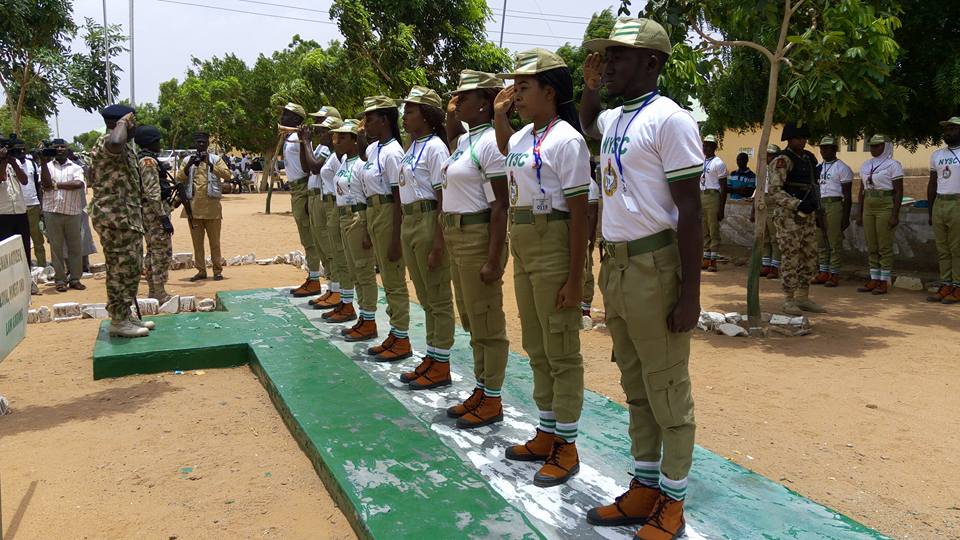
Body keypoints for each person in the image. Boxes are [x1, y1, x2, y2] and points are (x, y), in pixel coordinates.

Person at [579, 18, 702, 539]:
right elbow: (589, 129)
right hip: (620, 265)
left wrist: (690, 294)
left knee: (667, 388)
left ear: (652, 63)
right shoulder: (616, 118)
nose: (608, 65)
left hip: (656, 265)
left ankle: (671, 504)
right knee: (635, 386)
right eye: (606, 57)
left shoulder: (671, 120)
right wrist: (588, 88)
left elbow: (692, 210)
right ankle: (645, 486)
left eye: (619, 57)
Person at [494, 49, 590, 488]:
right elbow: (510, 151)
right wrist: (499, 116)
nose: (516, 94)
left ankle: (566, 445)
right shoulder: (521, 137)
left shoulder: (567, 139)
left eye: (524, 87)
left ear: (550, 91)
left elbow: (579, 214)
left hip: (554, 240)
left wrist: (576, 278)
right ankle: (546, 430)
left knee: (561, 348)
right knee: (535, 341)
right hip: (525, 240)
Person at [432, 70, 511, 428]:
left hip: (479, 236)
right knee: (471, 318)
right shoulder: (466, 141)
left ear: (485, 102)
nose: (457, 101)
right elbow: (453, 139)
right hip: (457, 236)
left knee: (487, 321)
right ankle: (481, 388)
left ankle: (492, 398)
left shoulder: (492, 143)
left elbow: (500, 205)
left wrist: (494, 258)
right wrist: (451, 116)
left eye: (464, 96)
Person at [394, 86, 455, 378]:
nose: (404, 116)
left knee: (438, 295)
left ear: (427, 116)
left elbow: (443, 196)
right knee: (425, 294)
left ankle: (441, 361)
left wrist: (439, 243)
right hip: (410, 221)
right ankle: (432, 355)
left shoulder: (435, 147)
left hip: (429, 219)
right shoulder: (412, 147)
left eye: (410, 110)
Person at [88, 104, 152, 338]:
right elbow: (115, 142)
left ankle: (124, 314)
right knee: (120, 269)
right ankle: (118, 319)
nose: (135, 125)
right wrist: (123, 123)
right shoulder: (108, 142)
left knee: (131, 267)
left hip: (126, 218)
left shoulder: (124, 146)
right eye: (132, 121)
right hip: (116, 219)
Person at [359, 96, 410, 354]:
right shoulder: (373, 149)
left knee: (393, 278)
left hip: (389, 211)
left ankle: (401, 337)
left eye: (369, 118)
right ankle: (395, 332)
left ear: (384, 119)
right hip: (374, 210)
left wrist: (395, 238)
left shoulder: (393, 152)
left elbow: (398, 197)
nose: (365, 123)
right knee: (386, 278)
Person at [326, 119, 379, 339]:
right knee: (353, 270)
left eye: (343, 137)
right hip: (343, 216)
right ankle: (362, 315)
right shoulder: (345, 161)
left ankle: (370, 320)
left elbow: (367, 197)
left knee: (364, 270)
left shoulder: (361, 164)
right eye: (336, 137)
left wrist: (366, 229)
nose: (336, 141)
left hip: (358, 217)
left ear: (355, 140)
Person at [768, 123, 826, 315]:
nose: (802, 141)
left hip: (807, 214)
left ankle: (803, 297)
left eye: (804, 138)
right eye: (798, 138)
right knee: (791, 257)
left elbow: (814, 184)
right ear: (789, 139)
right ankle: (788, 299)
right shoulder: (782, 160)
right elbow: (775, 191)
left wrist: (816, 208)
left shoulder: (809, 158)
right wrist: (796, 204)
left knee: (809, 255)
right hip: (789, 216)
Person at [301, 112, 345, 311]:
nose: (321, 131)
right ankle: (332, 287)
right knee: (322, 246)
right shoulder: (325, 149)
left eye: (325, 129)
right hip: (321, 199)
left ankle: (337, 291)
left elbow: (315, 167)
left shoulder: (334, 154)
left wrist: (306, 143)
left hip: (331, 201)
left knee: (332, 248)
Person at [176, 131, 232, 281]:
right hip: (193, 209)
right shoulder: (187, 159)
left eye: (203, 142)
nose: (201, 145)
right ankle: (201, 271)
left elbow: (227, 175)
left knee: (215, 242)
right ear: (195, 144)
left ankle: (217, 271)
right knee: (197, 244)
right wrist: (188, 165)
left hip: (212, 208)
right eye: (198, 142)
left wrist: (209, 163)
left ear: (208, 144)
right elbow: (178, 178)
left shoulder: (215, 159)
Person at [281, 102, 324, 298]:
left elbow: (306, 168)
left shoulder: (296, 139)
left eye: (287, 114)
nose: (282, 117)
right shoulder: (289, 138)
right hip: (296, 189)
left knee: (309, 237)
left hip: (302, 188)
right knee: (306, 236)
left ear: (297, 119)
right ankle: (312, 276)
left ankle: (314, 279)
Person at [856, 135, 903, 295]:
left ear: (887, 146)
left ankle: (883, 281)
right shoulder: (866, 165)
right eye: (872, 146)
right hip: (869, 203)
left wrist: (895, 214)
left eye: (878, 146)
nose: (874, 149)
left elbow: (898, 191)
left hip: (885, 204)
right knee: (871, 244)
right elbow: (861, 190)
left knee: (884, 244)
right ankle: (874, 278)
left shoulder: (893, 165)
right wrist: (859, 211)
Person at [39, 138, 87, 292]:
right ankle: (60, 280)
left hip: (72, 211)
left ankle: (75, 279)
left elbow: (78, 184)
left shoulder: (75, 167)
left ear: (67, 149)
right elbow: (45, 185)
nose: (59, 149)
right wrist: (42, 161)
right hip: (52, 211)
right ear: (52, 150)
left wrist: (55, 185)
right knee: (56, 247)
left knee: (75, 247)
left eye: (62, 147)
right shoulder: (46, 166)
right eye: (56, 147)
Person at [135, 125, 176, 303]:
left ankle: (154, 291)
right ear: (151, 142)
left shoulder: (145, 159)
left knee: (152, 252)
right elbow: (152, 192)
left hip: (148, 212)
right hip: (154, 214)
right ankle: (159, 291)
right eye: (158, 140)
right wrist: (163, 217)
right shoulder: (148, 162)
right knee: (160, 252)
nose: (160, 144)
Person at [810, 136, 854, 287]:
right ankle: (823, 271)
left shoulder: (843, 168)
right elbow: (814, 190)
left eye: (828, 148)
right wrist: (815, 210)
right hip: (820, 205)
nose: (824, 151)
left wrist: (846, 217)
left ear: (835, 149)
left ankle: (834, 274)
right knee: (821, 240)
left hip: (835, 204)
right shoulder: (817, 168)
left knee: (834, 240)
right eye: (822, 148)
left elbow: (847, 195)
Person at [926, 117, 960, 304]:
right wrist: (930, 210)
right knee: (943, 249)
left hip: (958, 202)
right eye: (946, 129)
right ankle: (946, 284)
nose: (948, 132)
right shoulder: (937, 155)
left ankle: (958, 286)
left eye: (952, 128)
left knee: (957, 249)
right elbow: (932, 183)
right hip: (940, 202)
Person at [10, 137, 46, 267]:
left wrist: (41, 204)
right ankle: (25, 266)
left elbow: (37, 185)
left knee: (37, 237)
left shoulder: (32, 164)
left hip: (33, 205)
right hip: (16, 207)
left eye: (23, 148)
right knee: (20, 239)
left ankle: (42, 265)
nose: (21, 151)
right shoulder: (8, 165)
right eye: (18, 149)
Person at [0, 139, 31, 266]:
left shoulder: (15, 161)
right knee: (6, 251)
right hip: (3, 213)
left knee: (24, 248)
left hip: (20, 211)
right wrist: (3, 162)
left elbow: (24, 181)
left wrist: (13, 163)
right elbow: (1, 178)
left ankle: (28, 279)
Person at [700, 134, 727, 272]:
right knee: (704, 229)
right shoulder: (701, 161)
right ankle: (705, 258)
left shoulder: (719, 163)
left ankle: (713, 260)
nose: (706, 148)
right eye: (704, 145)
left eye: (709, 145)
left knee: (713, 229)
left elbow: (724, 186)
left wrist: (721, 208)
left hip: (713, 196)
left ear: (714, 147)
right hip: (702, 195)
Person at [581, 162, 601, 330]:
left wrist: (588, 240)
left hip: (584, 237)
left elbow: (592, 216)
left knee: (586, 272)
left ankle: (585, 309)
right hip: (571, 235)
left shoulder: (590, 186)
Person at [758, 144, 783, 279]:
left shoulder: (779, 170)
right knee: (764, 237)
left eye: (772, 155)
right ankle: (766, 264)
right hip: (764, 201)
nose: (769, 157)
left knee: (775, 237)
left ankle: (775, 266)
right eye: (768, 154)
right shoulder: (764, 170)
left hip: (775, 202)